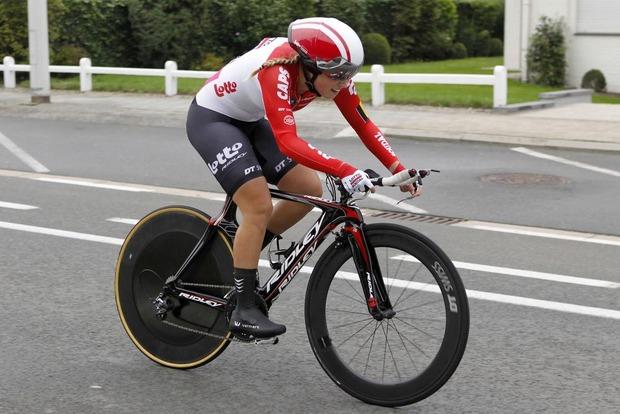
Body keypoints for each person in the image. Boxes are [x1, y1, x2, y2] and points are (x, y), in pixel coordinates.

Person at [186, 17, 420, 339]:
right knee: (258, 205)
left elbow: (363, 123)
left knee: (309, 189)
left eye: (350, 73)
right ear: (310, 67)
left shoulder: (330, 74)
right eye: (338, 75)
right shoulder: (277, 71)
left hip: (251, 121)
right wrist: (346, 170)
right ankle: (243, 309)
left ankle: (242, 255)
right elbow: (287, 141)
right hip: (213, 120)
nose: (345, 81)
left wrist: (396, 166)